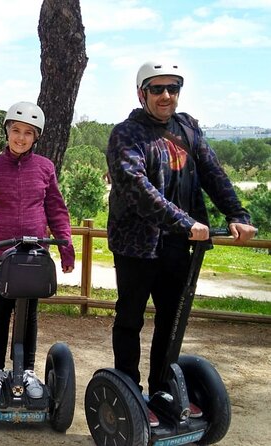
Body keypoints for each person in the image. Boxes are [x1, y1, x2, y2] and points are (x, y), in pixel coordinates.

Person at [106, 60, 257, 426]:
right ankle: (129, 392)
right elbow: (135, 188)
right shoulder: (126, 134)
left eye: (172, 88)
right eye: (157, 89)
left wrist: (238, 214)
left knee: (172, 322)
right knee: (130, 319)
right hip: (136, 246)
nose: (166, 96)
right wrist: (185, 221)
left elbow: (213, 174)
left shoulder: (188, 129)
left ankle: (162, 393)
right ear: (142, 93)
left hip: (178, 245)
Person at [0, 101, 75, 399]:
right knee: (0, 311)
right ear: (7, 132)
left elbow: (56, 210)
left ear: (35, 136)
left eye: (27, 133)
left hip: (33, 254)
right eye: (15, 130)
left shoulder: (44, 168)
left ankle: (26, 371)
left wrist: (66, 246)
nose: (20, 137)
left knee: (29, 314)